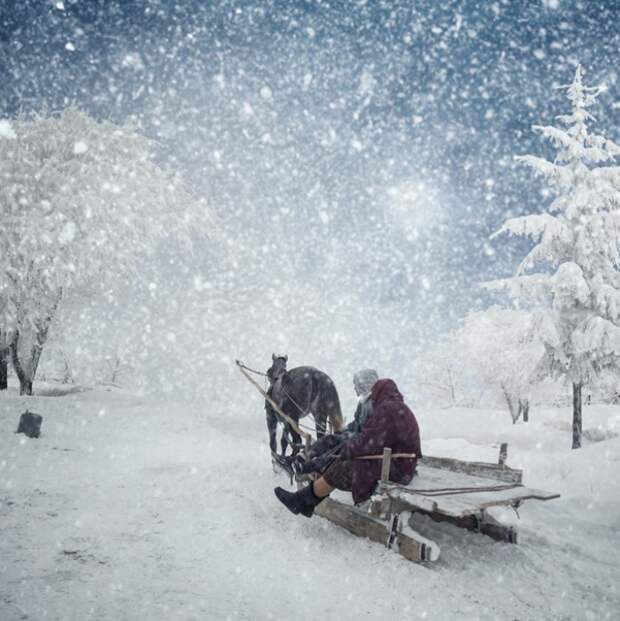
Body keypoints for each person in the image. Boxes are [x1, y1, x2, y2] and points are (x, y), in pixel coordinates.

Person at [274, 377, 421, 517]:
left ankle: (303, 500)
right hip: (403, 465)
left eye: (374, 396)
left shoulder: (387, 410)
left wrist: (347, 450)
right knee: (342, 457)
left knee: (343, 467)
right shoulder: (397, 408)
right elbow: (376, 438)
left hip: (397, 468)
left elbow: (368, 441)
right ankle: (304, 500)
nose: (373, 400)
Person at [285, 368, 379, 476]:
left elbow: (366, 430)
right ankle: (300, 458)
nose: (355, 388)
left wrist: (348, 434)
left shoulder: (371, 405)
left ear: (364, 385)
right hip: (358, 439)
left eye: (356, 385)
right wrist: (344, 430)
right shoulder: (364, 403)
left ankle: (309, 465)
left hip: (361, 443)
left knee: (336, 445)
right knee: (330, 439)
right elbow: (357, 424)